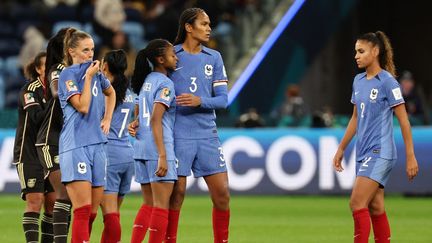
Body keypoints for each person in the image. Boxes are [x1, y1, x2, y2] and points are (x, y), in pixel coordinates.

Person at [332, 31, 419, 243]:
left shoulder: (387, 82)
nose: (356, 56)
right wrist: (342, 148)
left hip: (380, 151)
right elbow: (355, 118)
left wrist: (410, 156)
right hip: (363, 151)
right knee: (375, 206)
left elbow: (404, 120)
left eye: (361, 51)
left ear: (375, 51)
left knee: (356, 202)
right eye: (355, 52)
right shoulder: (358, 81)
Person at [167, 8, 230, 243]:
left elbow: (223, 100)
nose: (209, 28)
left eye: (209, 24)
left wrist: (199, 101)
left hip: (206, 133)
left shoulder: (214, 57)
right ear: (188, 27)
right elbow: (153, 91)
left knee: (222, 195)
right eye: (204, 24)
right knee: (177, 194)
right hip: (178, 132)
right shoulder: (171, 55)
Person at [58, 28, 116, 243]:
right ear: (72, 51)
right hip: (76, 146)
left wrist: (108, 118)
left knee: (92, 212)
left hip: (98, 144)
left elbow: (111, 93)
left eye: (92, 50)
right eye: (85, 50)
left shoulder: (98, 74)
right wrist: (90, 77)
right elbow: (82, 107)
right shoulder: (67, 75)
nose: (90, 55)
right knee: (82, 210)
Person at [129, 38, 178, 243]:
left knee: (148, 203)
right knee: (161, 206)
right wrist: (163, 156)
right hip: (157, 147)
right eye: (172, 54)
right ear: (160, 59)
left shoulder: (146, 80)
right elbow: (156, 119)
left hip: (140, 146)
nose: (176, 58)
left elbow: (140, 112)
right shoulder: (166, 83)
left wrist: (136, 122)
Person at [13, 51, 56, 243]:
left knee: (53, 203)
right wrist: (57, 101)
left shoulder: (59, 88)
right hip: (29, 153)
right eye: (46, 66)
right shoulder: (29, 90)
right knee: (35, 201)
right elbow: (37, 118)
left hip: (50, 151)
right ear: (38, 69)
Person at [35, 28, 71, 243]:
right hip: (50, 141)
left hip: (66, 141)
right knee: (64, 195)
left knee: (67, 198)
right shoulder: (59, 69)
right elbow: (58, 91)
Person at [99, 49, 135, 243]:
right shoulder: (129, 93)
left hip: (109, 155)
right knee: (114, 215)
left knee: (110, 216)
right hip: (127, 155)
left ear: (105, 66)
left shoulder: (104, 92)